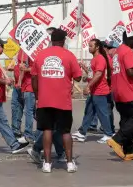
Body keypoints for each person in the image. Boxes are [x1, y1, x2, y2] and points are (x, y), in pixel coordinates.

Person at [32, 28, 83, 173]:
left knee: (47, 130)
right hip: (63, 101)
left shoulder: (40, 55)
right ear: (63, 41)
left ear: (51, 40)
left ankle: (47, 164)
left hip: (44, 100)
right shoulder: (69, 55)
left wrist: (37, 95)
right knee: (65, 132)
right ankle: (69, 163)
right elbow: (78, 77)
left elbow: (34, 78)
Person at [106, 34, 133, 161]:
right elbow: (130, 72)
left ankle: (129, 150)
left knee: (126, 121)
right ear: (130, 39)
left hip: (118, 92)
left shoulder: (117, 52)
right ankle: (116, 140)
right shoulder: (128, 52)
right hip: (129, 91)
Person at [73, 39, 113, 143]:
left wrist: (88, 86)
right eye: (89, 46)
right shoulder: (94, 59)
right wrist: (85, 72)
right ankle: (82, 132)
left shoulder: (100, 58)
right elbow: (92, 74)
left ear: (97, 47)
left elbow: (99, 74)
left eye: (91, 46)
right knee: (89, 112)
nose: (89, 48)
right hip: (94, 91)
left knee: (102, 113)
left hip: (100, 91)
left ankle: (108, 134)